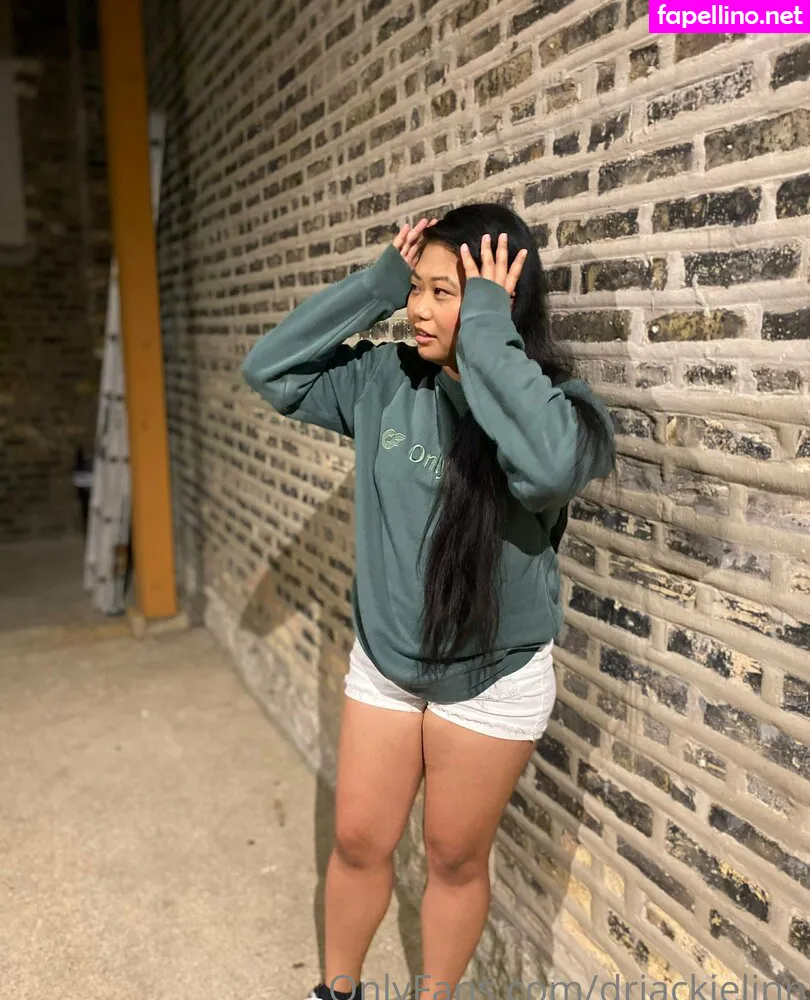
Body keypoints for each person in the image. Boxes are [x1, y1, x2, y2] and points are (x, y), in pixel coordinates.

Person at [241, 202, 616, 1000]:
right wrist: (376, 284)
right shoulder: (386, 380)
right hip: (386, 664)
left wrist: (483, 334)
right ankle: (337, 990)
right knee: (358, 840)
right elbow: (270, 371)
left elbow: (552, 469)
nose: (418, 308)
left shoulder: (556, 408)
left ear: (497, 305)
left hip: (491, 679)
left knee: (451, 858)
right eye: (417, 288)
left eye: (444, 292)